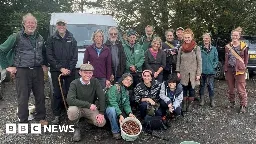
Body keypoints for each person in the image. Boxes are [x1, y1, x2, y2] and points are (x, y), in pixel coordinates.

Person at [0, 13, 48, 125]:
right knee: (23, 97)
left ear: (36, 24)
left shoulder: (40, 37)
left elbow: (44, 52)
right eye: (29, 22)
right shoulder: (16, 36)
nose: (31, 24)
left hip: (37, 70)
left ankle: (41, 117)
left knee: (40, 95)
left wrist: (45, 64)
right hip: (22, 71)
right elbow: (1, 50)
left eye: (33, 22)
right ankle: (23, 120)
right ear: (24, 24)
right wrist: (7, 66)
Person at [46, 19, 78, 124]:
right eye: (59, 24)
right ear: (56, 26)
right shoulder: (51, 39)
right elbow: (49, 56)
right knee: (57, 92)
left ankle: (72, 114)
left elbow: (75, 56)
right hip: (56, 70)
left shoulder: (72, 38)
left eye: (63, 24)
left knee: (70, 92)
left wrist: (69, 68)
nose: (61, 26)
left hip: (70, 70)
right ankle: (56, 115)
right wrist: (60, 68)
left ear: (66, 25)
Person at [66, 63, 106, 142]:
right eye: (85, 72)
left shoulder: (95, 81)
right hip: (78, 107)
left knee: (101, 122)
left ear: (92, 73)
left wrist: (101, 113)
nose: (88, 75)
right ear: (80, 73)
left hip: (89, 109)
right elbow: (70, 100)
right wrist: (88, 104)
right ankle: (76, 127)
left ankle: (88, 119)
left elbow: (102, 97)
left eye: (90, 73)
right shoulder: (74, 83)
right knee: (72, 111)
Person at [176, 28, 202, 112]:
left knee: (191, 89)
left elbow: (199, 61)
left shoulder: (196, 48)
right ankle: (183, 104)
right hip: (183, 72)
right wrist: (178, 71)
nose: (187, 39)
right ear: (183, 38)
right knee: (183, 89)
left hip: (193, 73)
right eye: (185, 37)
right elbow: (178, 61)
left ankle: (190, 104)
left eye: (188, 37)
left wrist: (198, 73)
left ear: (192, 37)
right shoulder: (181, 48)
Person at [224, 27, 248, 113]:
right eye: (233, 35)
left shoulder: (243, 46)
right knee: (231, 88)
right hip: (229, 69)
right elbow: (226, 58)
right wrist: (225, 68)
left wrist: (243, 67)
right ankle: (231, 102)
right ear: (231, 36)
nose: (234, 37)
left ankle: (243, 105)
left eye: (236, 35)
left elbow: (246, 59)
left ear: (239, 36)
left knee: (241, 89)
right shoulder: (227, 46)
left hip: (240, 70)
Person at [105, 73, 136, 140]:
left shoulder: (126, 91)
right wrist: (120, 114)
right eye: (127, 79)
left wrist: (130, 113)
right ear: (122, 80)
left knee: (129, 122)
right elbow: (112, 102)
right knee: (112, 110)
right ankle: (115, 131)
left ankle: (116, 123)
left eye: (130, 80)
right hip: (108, 110)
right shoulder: (114, 88)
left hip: (118, 111)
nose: (129, 81)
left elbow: (126, 104)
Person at [199, 33, 218, 107]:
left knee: (211, 86)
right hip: (202, 71)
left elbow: (216, 59)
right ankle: (202, 100)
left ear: (210, 39)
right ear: (203, 39)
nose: (206, 39)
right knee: (202, 86)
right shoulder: (199, 48)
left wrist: (213, 66)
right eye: (204, 38)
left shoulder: (214, 49)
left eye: (207, 38)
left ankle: (212, 101)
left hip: (211, 71)